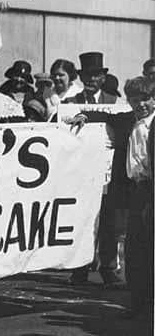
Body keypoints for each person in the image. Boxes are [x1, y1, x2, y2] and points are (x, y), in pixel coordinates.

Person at [71, 76, 153, 318]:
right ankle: (137, 302)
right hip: (135, 191)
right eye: (135, 101)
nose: (141, 105)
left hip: (152, 189)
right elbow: (106, 117)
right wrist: (84, 117)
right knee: (134, 248)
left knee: (150, 248)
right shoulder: (128, 120)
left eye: (146, 100)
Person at [66, 51, 122, 286]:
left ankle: (108, 268)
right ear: (80, 77)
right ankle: (79, 269)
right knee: (82, 220)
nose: (91, 79)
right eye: (87, 75)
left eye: (96, 75)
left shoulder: (115, 101)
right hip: (81, 170)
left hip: (109, 169)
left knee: (109, 218)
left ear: (102, 77)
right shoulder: (71, 102)